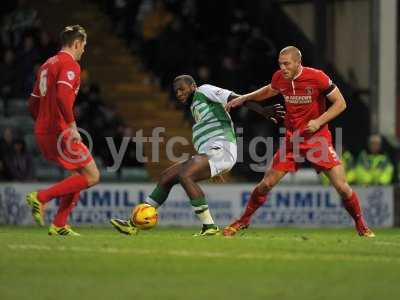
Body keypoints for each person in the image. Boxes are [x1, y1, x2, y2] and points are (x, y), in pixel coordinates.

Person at [223, 46, 375, 238]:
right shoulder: (280, 77)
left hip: (318, 139)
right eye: (280, 64)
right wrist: (244, 98)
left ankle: (361, 225)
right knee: (266, 184)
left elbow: (341, 103)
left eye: (286, 64)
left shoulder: (317, 77)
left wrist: (319, 121)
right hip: (292, 140)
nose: (283, 68)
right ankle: (243, 221)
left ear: (297, 62)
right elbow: (270, 89)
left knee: (342, 188)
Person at [110, 74, 284, 236]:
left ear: (193, 86)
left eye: (182, 89)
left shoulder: (205, 90)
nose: (179, 93)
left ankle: (209, 226)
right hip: (213, 153)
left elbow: (237, 99)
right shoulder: (195, 107)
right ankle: (133, 223)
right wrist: (212, 166)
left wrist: (263, 111)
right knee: (167, 176)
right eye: (176, 91)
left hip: (223, 149)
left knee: (186, 175)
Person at [26, 25, 100, 236]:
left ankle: (59, 224)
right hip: (59, 130)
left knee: (77, 174)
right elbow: (61, 97)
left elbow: (32, 104)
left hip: (44, 130)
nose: (84, 50)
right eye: (84, 45)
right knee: (93, 176)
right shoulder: (70, 64)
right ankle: (41, 197)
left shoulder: (47, 65)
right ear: (76, 43)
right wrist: (71, 126)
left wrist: (42, 123)